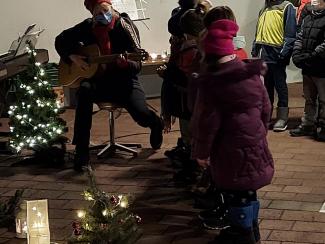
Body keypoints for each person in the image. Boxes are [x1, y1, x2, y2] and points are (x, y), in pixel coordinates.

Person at [191, 18, 274, 244]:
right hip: (254, 143)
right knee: (249, 189)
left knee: (235, 192)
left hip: (228, 150)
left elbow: (208, 124)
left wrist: (201, 152)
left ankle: (241, 233)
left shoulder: (214, 85)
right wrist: (259, 132)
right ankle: (252, 228)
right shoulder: (252, 74)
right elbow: (266, 108)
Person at [55, 0, 163, 172]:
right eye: (97, 13)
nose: (102, 15)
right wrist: (72, 57)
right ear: (92, 15)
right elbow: (60, 40)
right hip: (99, 82)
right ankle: (81, 153)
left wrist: (124, 64)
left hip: (124, 82)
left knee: (141, 114)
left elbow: (138, 65)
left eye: (105, 10)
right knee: (84, 91)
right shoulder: (87, 27)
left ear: (112, 8)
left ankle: (156, 123)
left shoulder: (125, 26)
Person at [252, 0, 297, 132]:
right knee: (266, 87)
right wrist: (255, 48)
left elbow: (290, 34)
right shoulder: (264, 9)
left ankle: (282, 117)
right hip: (264, 55)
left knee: (280, 85)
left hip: (277, 55)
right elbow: (259, 30)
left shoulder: (287, 7)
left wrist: (283, 52)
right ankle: (267, 115)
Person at [290, 0, 325, 141]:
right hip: (308, 66)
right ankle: (308, 124)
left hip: (322, 67)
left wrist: (314, 55)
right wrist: (297, 53)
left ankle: (323, 126)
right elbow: (300, 36)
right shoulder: (308, 16)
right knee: (309, 98)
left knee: (323, 99)